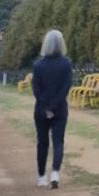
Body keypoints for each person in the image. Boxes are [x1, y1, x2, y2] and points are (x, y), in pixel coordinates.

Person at [30, 29, 74, 187]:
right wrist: (54, 106)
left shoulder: (38, 65)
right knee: (58, 141)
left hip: (41, 109)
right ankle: (55, 172)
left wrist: (45, 106)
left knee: (42, 142)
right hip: (60, 108)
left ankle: (41, 176)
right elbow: (66, 87)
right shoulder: (66, 64)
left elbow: (36, 88)